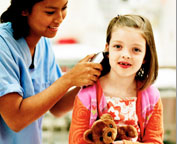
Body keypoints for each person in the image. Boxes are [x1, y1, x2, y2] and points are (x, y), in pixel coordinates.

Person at [0, 0, 103, 143]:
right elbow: (15, 119)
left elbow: (58, 107)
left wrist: (87, 80)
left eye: (64, 8)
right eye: (50, 12)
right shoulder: (3, 46)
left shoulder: (43, 43)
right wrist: (69, 79)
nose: (60, 18)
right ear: (24, 10)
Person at [69, 14, 164, 144]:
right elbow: (76, 141)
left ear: (146, 56)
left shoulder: (152, 97)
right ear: (107, 49)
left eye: (136, 49)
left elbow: (155, 141)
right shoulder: (87, 94)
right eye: (118, 46)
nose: (125, 55)